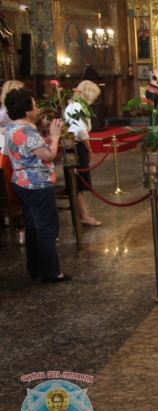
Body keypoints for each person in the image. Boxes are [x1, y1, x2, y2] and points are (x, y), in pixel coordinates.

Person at [5, 88, 71, 283]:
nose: (36, 108)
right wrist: (55, 137)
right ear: (27, 111)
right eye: (34, 105)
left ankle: (35, 268)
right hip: (37, 183)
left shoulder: (11, 127)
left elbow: (29, 150)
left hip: (20, 181)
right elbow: (48, 156)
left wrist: (46, 141)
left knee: (33, 227)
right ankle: (51, 272)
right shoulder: (27, 131)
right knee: (46, 228)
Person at [63, 80, 102, 227]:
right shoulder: (79, 107)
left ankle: (81, 214)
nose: (95, 99)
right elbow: (80, 131)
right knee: (78, 184)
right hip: (77, 147)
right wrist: (89, 149)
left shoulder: (71, 105)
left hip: (71, 146)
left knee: (77, 184)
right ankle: (83, 216)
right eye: (95, 95)